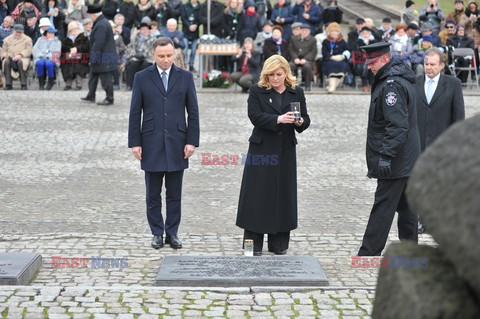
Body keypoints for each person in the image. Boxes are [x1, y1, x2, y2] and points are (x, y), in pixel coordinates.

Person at [128, 37, 200, 250]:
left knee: (174, 194)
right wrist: (135, 142)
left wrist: (192, 141)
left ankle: (173, 232)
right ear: (154, 55)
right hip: (150, 142)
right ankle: (157, 233)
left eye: (170, 55)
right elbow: (135, 112)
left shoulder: (185, 77)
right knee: (152, 194)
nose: (166, 60)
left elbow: (193, 112)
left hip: (178, 141)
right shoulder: (141, 77)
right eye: (162, 56)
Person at [236, 54, 310, 256]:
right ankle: (252, 246)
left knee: (283, 195)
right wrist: (278, 119)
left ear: (286, 73)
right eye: (271, 75)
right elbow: (255, 116)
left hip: (286, 149)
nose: (275, 79)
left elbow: (305, 118)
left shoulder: (297, 92)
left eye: (278, 74)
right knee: (256, 196)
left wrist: (300, 122)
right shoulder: (256, 91)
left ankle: (279, 244)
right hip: (261, 149)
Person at [357, 42, 420, 256]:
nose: (369, 67)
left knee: (383, 206)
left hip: (396, 158)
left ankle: (368, 252)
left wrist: (386, 156)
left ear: (384, 59)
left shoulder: (391, 85)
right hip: (408, 156)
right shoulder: (397, 77)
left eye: (372, 62)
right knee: (407, 207)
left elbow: (397, 125)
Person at [414, 47, 465, 234]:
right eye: (426, 64)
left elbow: (458, 117)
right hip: (417, 143)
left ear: (441, 65)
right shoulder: (415, 82)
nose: (428, 68)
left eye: (432, 64)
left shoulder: (453, 84)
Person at [80, 4, 116, 105]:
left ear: (93, 15)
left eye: (90, 15)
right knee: (93, 76)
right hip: (101, 56)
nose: (89, 17)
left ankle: (109, 98)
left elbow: (98, 43)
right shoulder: (101, 22)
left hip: (103, 57)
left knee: (106, 79)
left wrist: (93, 57)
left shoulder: (101, 24)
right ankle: (91, 95)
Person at [125, 22, 155, 90]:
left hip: (148, 57)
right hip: (136, 56)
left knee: (146, 65)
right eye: (143, 29)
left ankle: (143, 86)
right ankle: (130, 85)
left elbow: (153, 49)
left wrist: (144, 54)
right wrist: (134, 53)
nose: (145, 31)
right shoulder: (134, 37)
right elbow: (130, 47)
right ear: (140, 30)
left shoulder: (153, 38)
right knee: (132, 64)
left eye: (146, 29)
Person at [1, 23, 32, 90]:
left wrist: (20, 55)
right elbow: (3, 51)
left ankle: (23, 84)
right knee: (6, 62)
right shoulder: (7, 39)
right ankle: (8, 84)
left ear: (22, 32)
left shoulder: (27, 39)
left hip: (23, 57)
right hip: (9, 56)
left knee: (20, 62)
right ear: (13, 31)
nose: (18, 34)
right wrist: (5, 56)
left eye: (20, 32)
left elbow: (29, 50)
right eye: (16, 32)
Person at [321, 22, 349, 93]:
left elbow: (347, 50)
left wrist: (343, 56)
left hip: (341, 59)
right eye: (332, 31)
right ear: (329, 32)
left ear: (338, 32)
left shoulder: (342, 41)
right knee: (331, 65)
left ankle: (332, 87)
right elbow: (324, 52)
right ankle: (332, 87)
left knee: (342, 65)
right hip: (329, 59)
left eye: (336, 31)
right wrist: (332, 57)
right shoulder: (325, 41)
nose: (334, 33)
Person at [61, 20, 89, 90]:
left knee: (77, 63)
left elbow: (86, 47)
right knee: (67, 64)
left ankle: (79, 83)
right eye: (71, 31)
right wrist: (70, 49)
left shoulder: (84, 38)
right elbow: (63, 49)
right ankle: (68, 83)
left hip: (82, 56)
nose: (74, 32)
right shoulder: (66, 40)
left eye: (75, 30)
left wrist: (77, 49)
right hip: (68, 56)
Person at [289, 23, 316, 91]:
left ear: (309, 31)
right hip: (296, 59)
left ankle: (307, 85)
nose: (304, 32)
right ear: (300, 31)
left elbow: (313, 51)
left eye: (306, 30)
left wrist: (306, 59)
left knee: (307, 67)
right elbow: (291, 49)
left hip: (307, 60)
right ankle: (292, 84)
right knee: (290, 66)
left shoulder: (312, 40)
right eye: (303, 30)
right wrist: (295, 58)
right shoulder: (293, 38)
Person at [32, 25, 61, 90]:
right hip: (40, 57)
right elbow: (35, 49)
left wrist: (48, 56)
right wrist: (40, 56)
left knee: (49, 64)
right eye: (49, 33)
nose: (51, 34)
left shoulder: (58, 42)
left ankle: (50, 82)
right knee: (40, 63)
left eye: (52, 33)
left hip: (52, 58)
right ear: (46, 33)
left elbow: (57, 52)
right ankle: (41, 83)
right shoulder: (40, 40)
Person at [180, 0, 200, 72]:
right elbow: (183, 18)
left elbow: (200, 18)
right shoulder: (185, 6)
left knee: (194, 51)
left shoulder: (199, 7)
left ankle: (191, 65)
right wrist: (189, 25)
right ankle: (185, 65)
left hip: (195, 32)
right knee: (185, 50)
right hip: (186, 31)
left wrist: (196, 25)